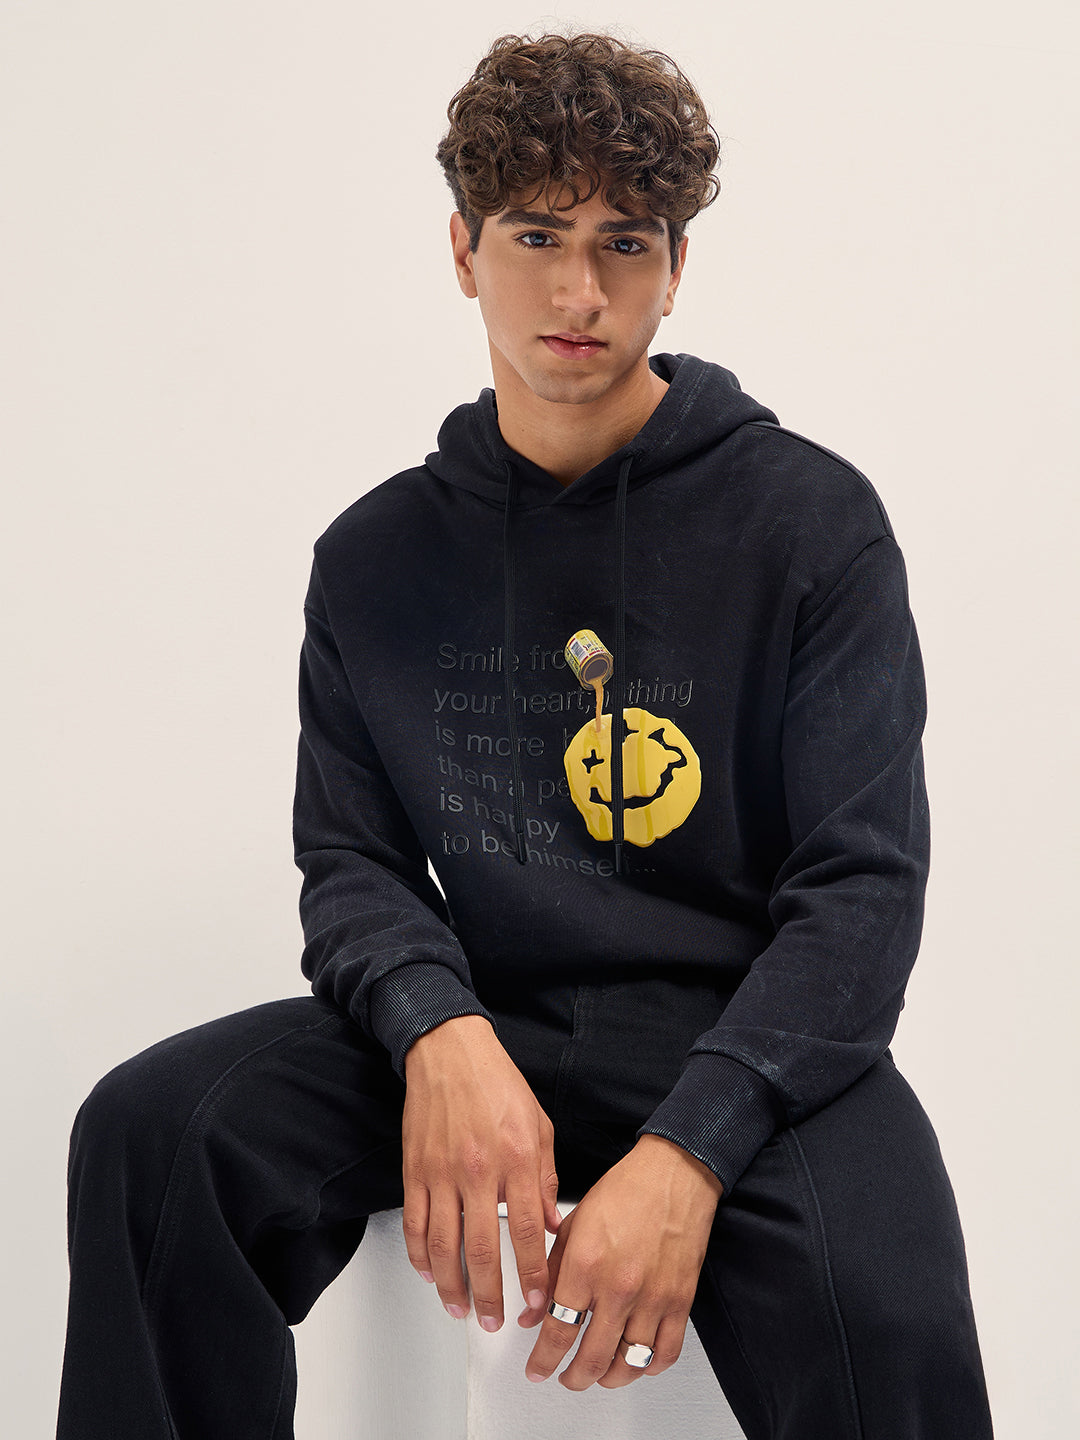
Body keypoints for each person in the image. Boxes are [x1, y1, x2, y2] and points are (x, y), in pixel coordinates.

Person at [56, 30, 994, 1439]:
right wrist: (439, 1032)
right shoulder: (374, 558)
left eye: (625, 242)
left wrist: (691, 1150)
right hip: (488, 1020)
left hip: (747, 1031)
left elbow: (862, 891)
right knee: (155, 1134)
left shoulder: (810, 524)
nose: (577, 292)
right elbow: (352, 864)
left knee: (894, 1312)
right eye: (537, 235)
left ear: (676, 266)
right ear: (462, 249)